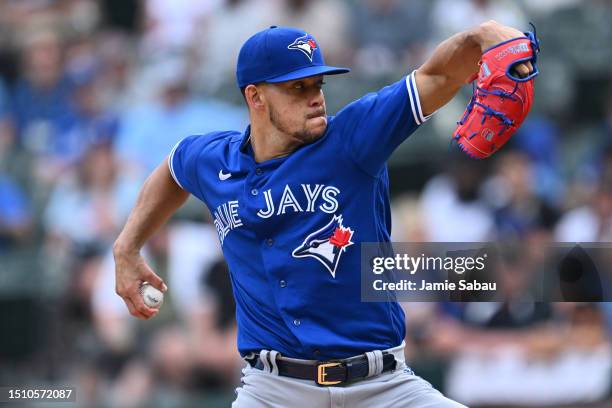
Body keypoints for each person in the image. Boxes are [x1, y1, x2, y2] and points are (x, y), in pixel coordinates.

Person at [114, 21, 534, 407]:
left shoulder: (352, 138)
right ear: (255, 97)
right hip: (272, 391)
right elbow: (172, 169)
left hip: (382, 388)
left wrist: (481, 35)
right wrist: (127, 246)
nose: (315, 97)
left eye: (318, 83)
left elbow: (436, 76)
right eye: (296, 88)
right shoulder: (214, 159)